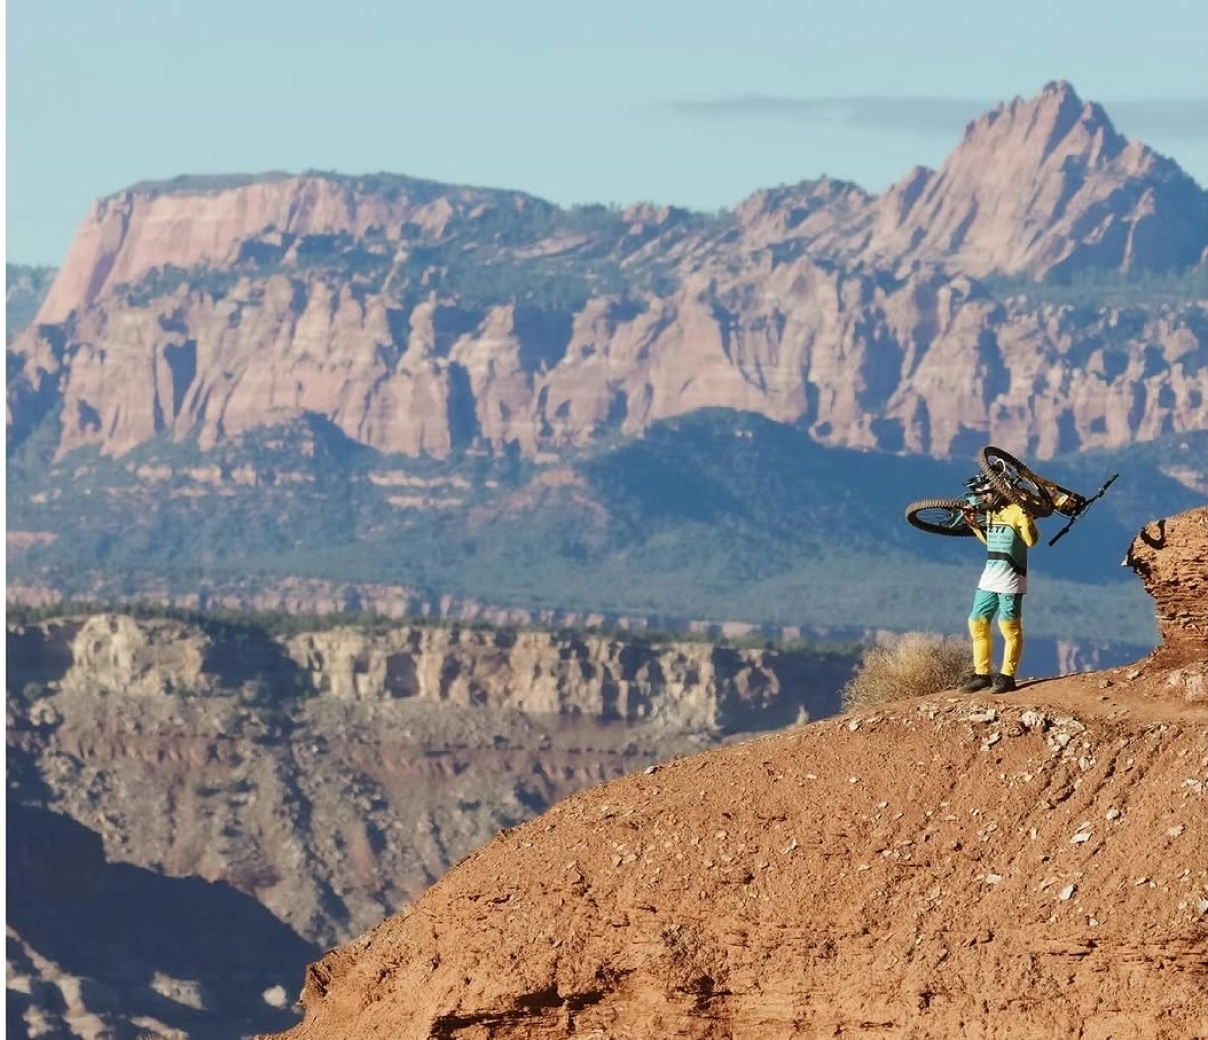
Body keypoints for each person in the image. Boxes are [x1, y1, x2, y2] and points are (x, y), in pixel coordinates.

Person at [958, 478, 1039, 694]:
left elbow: (1031, 541)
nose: (984, 497)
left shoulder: (1017, 511)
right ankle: (982, 675)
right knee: (977, 622)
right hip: (989, 577)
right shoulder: (991, 512)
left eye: (987, 493)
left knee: (1009, 627)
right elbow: (992, 541)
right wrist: (975, 526)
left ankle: (1007, 677)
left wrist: (1027, 516)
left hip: (1011, 579)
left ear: (999, 490)